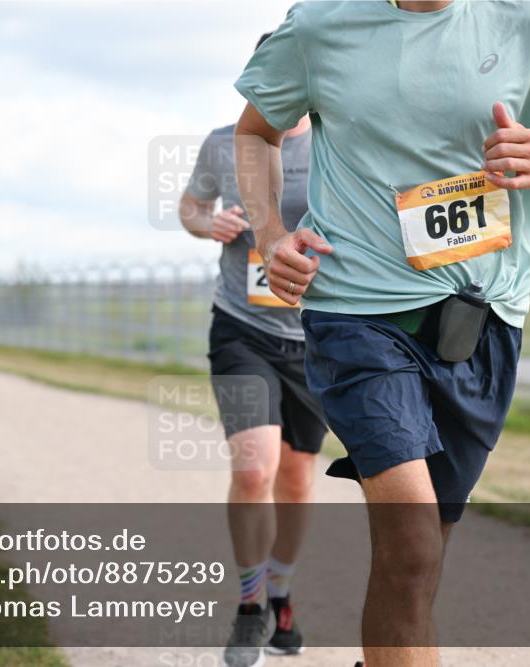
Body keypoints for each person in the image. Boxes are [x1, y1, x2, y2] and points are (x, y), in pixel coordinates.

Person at [232, 2, 530, 666]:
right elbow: (255, 132)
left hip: (483, 321)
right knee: (410, 542)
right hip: (358, 315)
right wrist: (270, 235)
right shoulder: (320, 26)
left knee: (421, 556)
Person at [181, 32, 328, 667]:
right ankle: (249, 608)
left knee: (296, 480)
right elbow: (191, 206)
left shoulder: (339, 144)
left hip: (317, 337)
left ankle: (281, 594)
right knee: (252, 469)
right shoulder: (225, 142)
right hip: (241, 329)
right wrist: (205, 222)